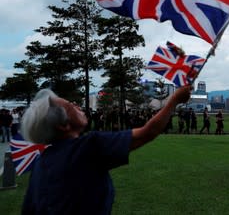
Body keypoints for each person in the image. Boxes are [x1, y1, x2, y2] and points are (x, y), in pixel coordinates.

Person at [21, 86, 191, 214]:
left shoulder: (40, 163)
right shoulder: (88, 146)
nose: (77, 106)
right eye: (70, 106)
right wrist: (174, 99)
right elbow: (148, 133)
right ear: (63, 125)